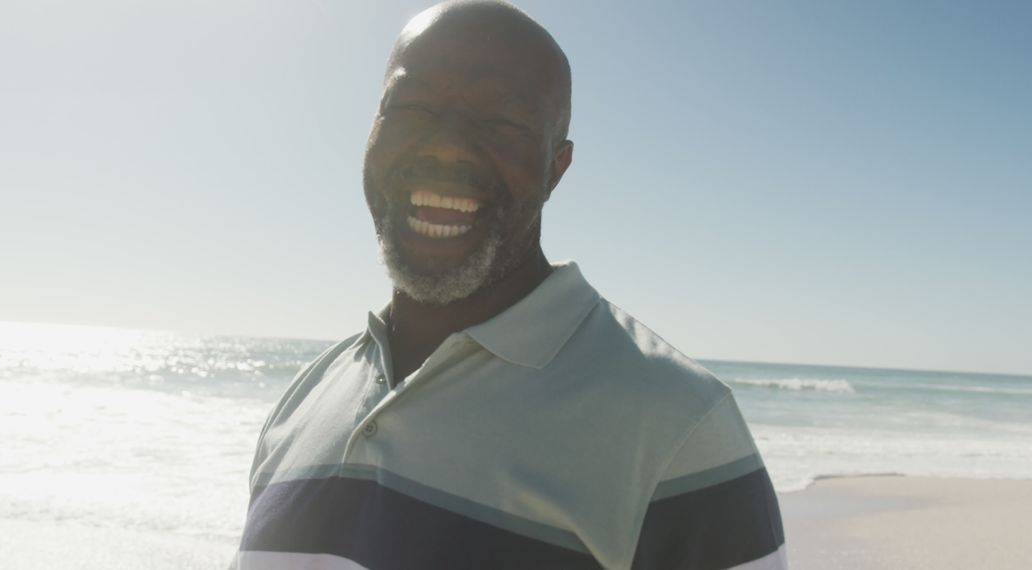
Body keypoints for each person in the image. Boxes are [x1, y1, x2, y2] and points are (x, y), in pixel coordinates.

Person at [233, 1, 785, 568]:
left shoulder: (677, 426)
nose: (445, 145)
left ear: (555, 168)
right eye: (413, 106)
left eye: (501, 121)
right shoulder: (307, 399)